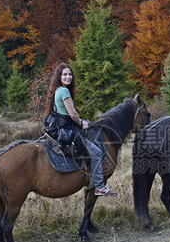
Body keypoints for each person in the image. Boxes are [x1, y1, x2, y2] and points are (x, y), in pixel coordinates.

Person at [43, 63, 116, 197]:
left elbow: (63, 113)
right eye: (65, 74)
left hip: (61, 127)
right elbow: (73, 114)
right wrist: (81, 123)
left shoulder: (57, 90)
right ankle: (99, 186)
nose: (68, 77)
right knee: (97, 153)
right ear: (59, 76)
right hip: (68, 130)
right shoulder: (64, 91)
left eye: (70, 74)